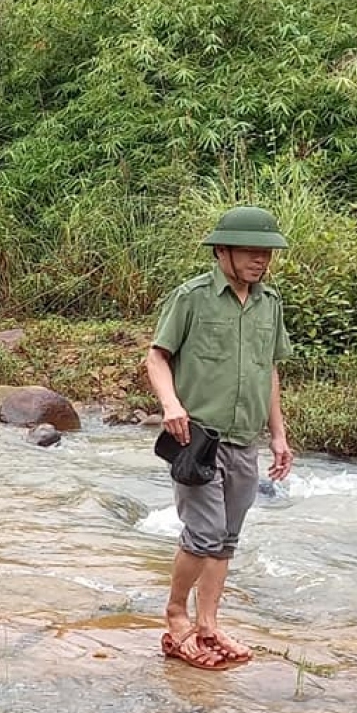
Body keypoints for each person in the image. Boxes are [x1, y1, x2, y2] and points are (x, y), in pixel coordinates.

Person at [144, 205, 295, 671]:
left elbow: (268, 370)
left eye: (266, 253)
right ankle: (175, 615)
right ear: (223, 251)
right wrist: (171, 404)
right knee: (204, 534)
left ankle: (207, 622)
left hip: (244, 439)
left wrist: (279, 435)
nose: (261, 261)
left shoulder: (270, 304)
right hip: (197, 438)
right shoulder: (191, 298)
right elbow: (157, 357)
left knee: (227, 538)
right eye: (251, 251)